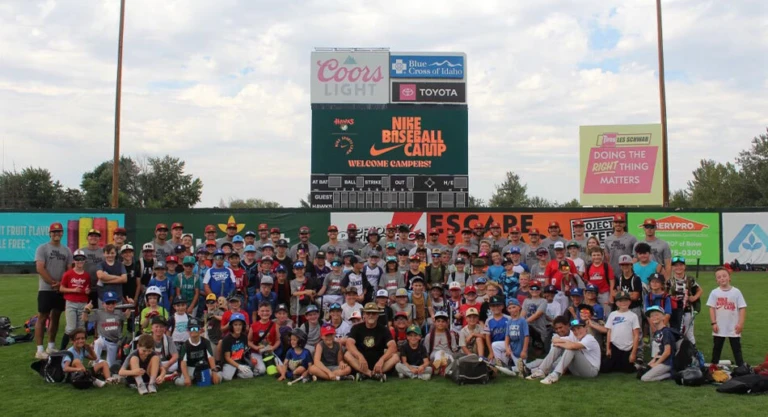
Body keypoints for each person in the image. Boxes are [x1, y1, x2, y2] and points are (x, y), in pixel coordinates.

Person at [34, 223, 74, 357]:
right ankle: (39, 349)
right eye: (54, 231)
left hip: (60, 289)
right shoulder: (43, 248)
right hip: (46, 289)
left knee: (56, 317)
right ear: (50, 233)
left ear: (62, 233)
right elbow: (40, 268)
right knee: (42, 317)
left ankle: (51, 346)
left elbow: (69, 270)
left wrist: (61, 284)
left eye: (59, 231)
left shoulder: (67, 250)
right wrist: (52, 283)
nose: (56, 233)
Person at [344, 303, 399, 381]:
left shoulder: (384, 329)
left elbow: (393, 346)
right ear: (364, 315)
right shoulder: (356, 328)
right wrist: (360, 356)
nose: (371, 315)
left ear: (377, 315)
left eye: (373, 313)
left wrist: (382, 360)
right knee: (347, 354)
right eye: (368, 313)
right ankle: (371, 374)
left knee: (395, 357)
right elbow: (349, 344)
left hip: (379, 363)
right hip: (361, 362)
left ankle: (366, 374)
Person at [539, 319, 601, 384]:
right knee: (559, 347)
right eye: (574, 330)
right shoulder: (575, 338)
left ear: (586, 328)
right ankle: (541, 371)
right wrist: (562, 343)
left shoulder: (589, 338)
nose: (577, 331)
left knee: (572, 349)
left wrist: (563, 344)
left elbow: (573, 346)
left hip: (591, 371)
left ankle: (555, 374)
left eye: (579, 328)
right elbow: (554, 340)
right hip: (577, 372)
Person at [707, 267, 747, 367]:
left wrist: (740, 324)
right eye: (719, 277)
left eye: (724, 276)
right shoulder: (714, 292)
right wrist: (714, 323)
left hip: (733, 326)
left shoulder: (736, 292)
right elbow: (711, 308)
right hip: (719, 326)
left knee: (736, 347)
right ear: (716, 280)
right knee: (717, 347)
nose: (722, 278)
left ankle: (741, 366)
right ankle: (714, 366)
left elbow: (742, 308)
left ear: (729, 277)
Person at [83, 291, 131, 368]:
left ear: (116, 303)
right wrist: (86, 310)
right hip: (103, 339)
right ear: (103, 304)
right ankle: (95, 361)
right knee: (98, 342)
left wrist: (129, 306)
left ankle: (101, 364)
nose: (110, 305)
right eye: (108, 303)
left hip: (114, 342)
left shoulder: (118, 312)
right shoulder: (99, 313)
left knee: (110, 366)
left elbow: (126, 316)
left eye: (113, 303)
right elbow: (85, 319)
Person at [602, 291, 640, 374]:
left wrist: (633, 353)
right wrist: (608, 348)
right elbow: (609, 332)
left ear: (630, 302)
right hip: (614, 345)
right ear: (616, 303)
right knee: (605, 369)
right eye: (620, 301)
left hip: (627, 347)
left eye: (626, 300)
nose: (623, 303)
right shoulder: (612, 314)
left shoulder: (633, 316)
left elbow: (636, 335)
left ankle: (635, 363)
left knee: (627, 370)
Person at [60, 250, 91, 349]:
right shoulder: (68, 274)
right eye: (77, 259)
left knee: (81, 328)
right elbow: (61, 288)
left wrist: (87, 291)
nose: (80, 261)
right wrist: (73, 290)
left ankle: (79, 349)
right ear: (74, 260)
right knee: (71, 328)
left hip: (82, 303)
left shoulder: (86, 275)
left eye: (82, 259)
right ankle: (62, 349)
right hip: (71, 303)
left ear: (84, 260)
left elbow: (87, 288)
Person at [668, 256, 703, 343]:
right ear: (672, 268)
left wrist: (694, 298)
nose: (678, 267)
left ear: (684, 266)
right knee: (675, 331)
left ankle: (693, 353)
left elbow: (700, 290)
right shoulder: (670, 281)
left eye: (681, 265)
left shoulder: (689, 280)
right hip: (674, 310)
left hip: (687, 310)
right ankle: (677, 352)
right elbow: (665, 294)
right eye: (676, 266)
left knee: (688, 333)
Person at [176, 319, 220, 387]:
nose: (193, 330)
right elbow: (183, 362)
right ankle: (174, 377)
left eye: (196, 328)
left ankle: (197, 378)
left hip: (203, 367)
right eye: (191, 328)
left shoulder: (206, 342)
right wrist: (186, 377)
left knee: (218, 378)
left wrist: (214, 372)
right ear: (188, 330)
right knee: (182, 383)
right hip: (190, 367)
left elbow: (210, 357)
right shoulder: (185, 345)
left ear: (200, 330)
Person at [641, 306, 675, 382]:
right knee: (643, 372)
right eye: (652, 316)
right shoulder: (657, 332)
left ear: (663, 317)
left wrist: (656, 364)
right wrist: (652, 361)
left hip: (667, 363)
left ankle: (670, 374)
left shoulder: (666, 332)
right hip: (662, 360)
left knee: (645, 378)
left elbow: (667, 352)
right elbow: (660, 350)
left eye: (657, 315)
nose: (654, 317)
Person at [248, 302, 281, 376]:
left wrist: (273, 347)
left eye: (267, 311)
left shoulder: (275, 325)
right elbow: (248, 341)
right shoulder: (253, 326)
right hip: (257, 353)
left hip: (269, 352)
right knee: (262, 370)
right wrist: (256, 347)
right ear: (258, 313)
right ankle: (256, 366)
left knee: (280, 368)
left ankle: (267, 364)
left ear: (271, 312)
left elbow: (278, 340)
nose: (265, 313)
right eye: (262, 311)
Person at [220, 312, 253, 381]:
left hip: (240, 361)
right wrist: (239, 366)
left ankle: (236, 372)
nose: (238, 327)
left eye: (240, 325)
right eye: (235, 325)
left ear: (243, 326)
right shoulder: (227, 339)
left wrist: (250, 359)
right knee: (227, 378)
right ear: (231, 326)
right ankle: (225, 371)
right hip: (229, 362)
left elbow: (245, 352)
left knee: (250, 375)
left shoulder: (244, 337)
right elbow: (227, 358)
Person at [503, 298, 529, 376]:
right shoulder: (509, 321)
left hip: (520, 349)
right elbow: (507, 336)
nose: (512, 310)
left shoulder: (522, 320)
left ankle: (508, 368)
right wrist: (507, 348)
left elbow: (526, 336)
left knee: (521, 368)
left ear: (519, 307)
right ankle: (507, 365)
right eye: (509, 308)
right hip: (512, 349)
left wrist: (524, 351)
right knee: (495, 345)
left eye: (514, 307)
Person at [584, 247, 615, 314]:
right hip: (592, 294)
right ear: (591, 256)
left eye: (598, 255)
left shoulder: (606, 266)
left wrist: (611, 296)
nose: (596, 257)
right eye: (594, 255)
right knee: (592, 312)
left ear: (602, 255)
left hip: (604, 293)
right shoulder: (589, 267)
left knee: (606, 313)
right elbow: (586, 281)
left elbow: (612, 282)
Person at [522, 283, 549, 353]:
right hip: (528, 326)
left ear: (540, 290)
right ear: (529, 290)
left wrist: (523, 323)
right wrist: (519, 322)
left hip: (539, 329)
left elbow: (537, 314)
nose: (534, 290)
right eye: (532, 288)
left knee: (538, 352)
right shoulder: (526, 300)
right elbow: (522, 314)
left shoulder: (543, 301)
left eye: (537, 289)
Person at [484, 295, 509, 365]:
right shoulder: (489, 320)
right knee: (491, 364)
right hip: (494, 347)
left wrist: (508, 348)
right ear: (490, 307)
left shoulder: (508, 319)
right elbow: (487, 337)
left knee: (503, 363)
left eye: (498, 305)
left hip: (507, 345)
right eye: (493, 306)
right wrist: (491, 352)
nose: (496, 308)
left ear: (502, 306)